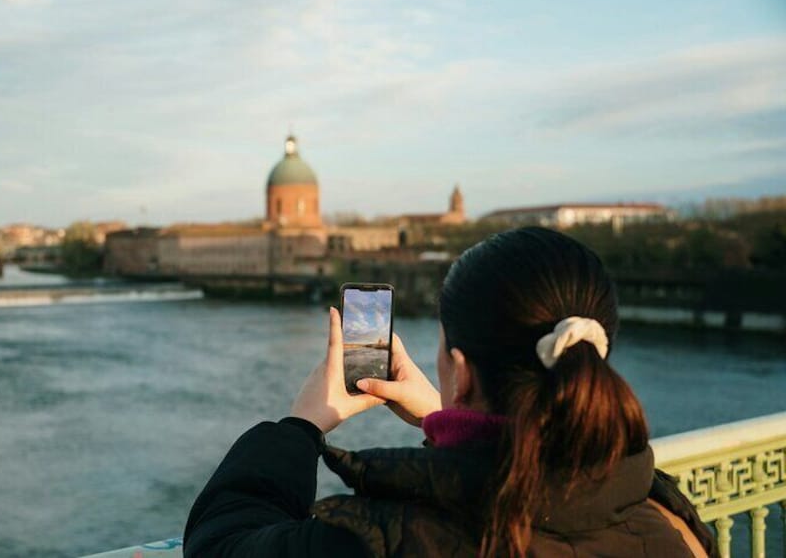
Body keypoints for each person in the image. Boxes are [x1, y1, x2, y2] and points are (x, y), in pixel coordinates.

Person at [183, 227, 716, 557]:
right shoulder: (668, 514)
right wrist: (447, 419)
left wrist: (301, 426)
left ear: (460, 370)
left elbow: (220, 546)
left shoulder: (380, 538)